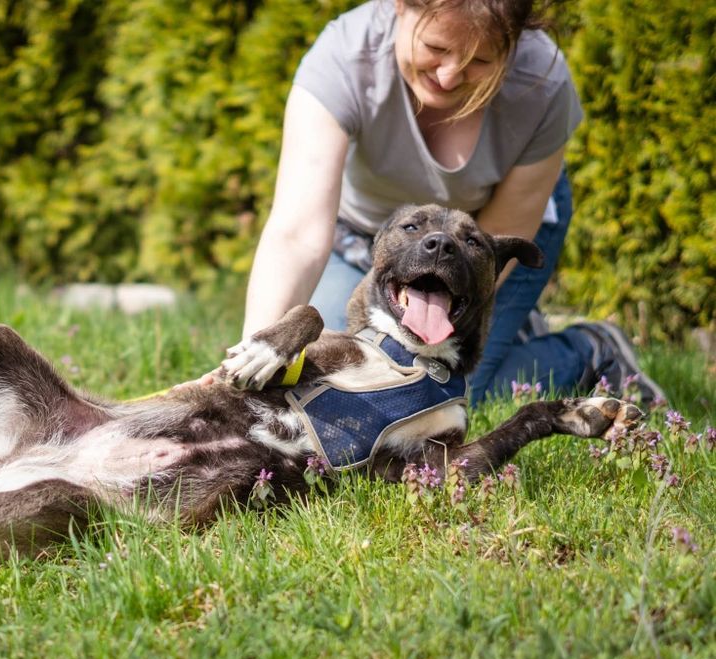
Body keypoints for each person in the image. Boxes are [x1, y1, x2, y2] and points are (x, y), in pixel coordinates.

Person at [240, 0, 664, 405]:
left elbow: (491, 246)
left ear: (513, 45)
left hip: (483, 244)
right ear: (401, 7)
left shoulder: (543, 84)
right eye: (435, 48)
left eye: (480, 62)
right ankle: (515, 332)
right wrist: (253, 359)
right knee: (331, 374)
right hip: (362, 232)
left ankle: (590, 349)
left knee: (438, 389)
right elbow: (297, 236)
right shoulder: (345, 58)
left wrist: (431, 332)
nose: (447, 76)